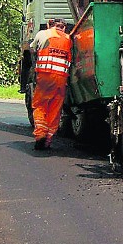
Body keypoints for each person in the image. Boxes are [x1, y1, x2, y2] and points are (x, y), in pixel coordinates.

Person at [31, 18, 72, 150]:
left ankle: (40, 135)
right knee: (54, 109)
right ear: (64, 27)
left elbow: (32, 49)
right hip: (61, 79)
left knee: (40, 105)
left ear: (50, 25)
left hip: (45, 76)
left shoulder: (43, 34)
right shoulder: (68, 39)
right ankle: (48, 139)